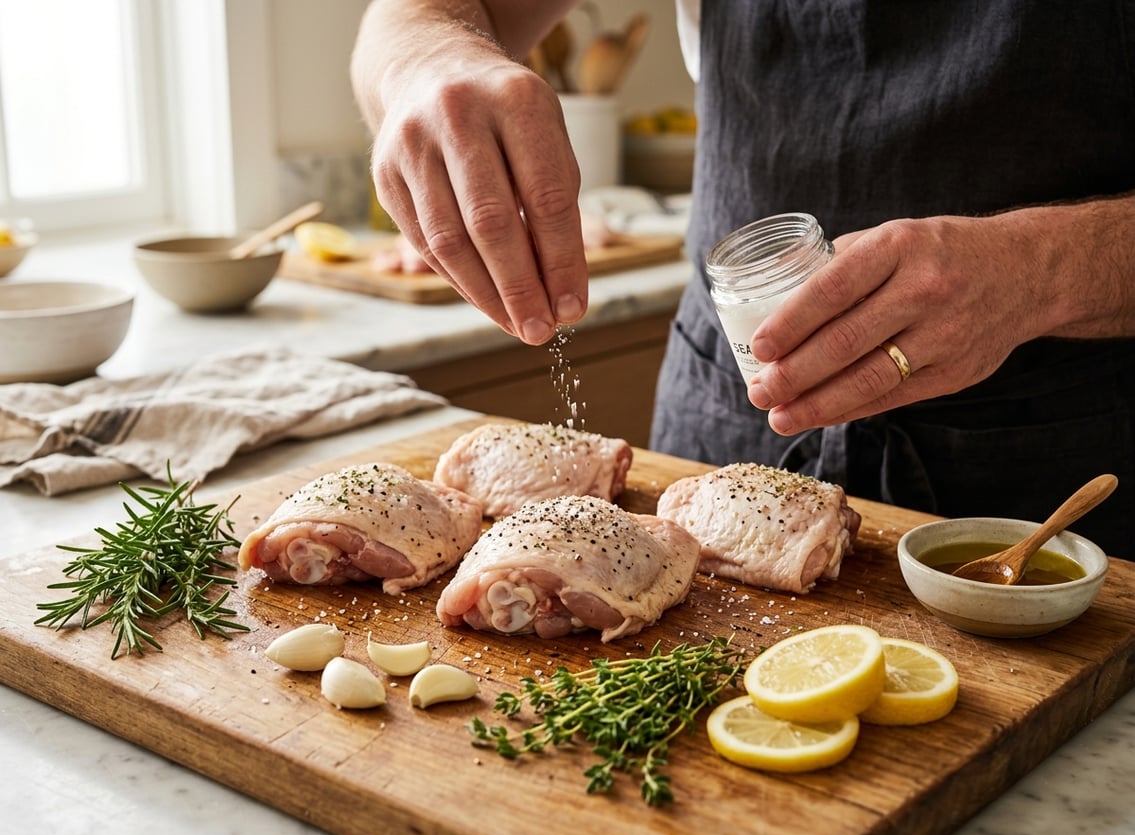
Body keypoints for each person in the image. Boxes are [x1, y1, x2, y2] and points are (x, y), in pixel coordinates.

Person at [351, 0, 1135, 559]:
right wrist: (425, 60)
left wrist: (1044, 268)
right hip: (729, 419)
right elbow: (414, 15)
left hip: (1072, 447)